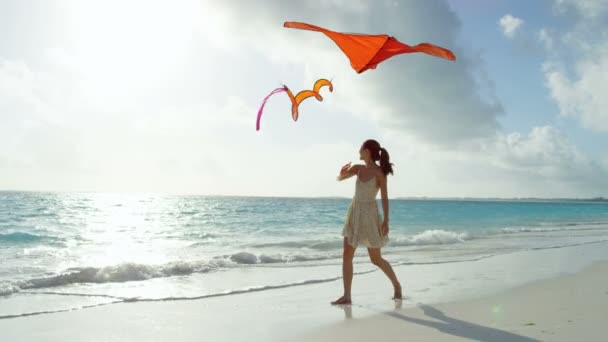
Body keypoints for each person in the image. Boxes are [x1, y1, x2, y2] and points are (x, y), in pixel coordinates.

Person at [331, 139, 401, 305]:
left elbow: (384, 197)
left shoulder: (380, 174)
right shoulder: (358, 168)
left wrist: (386, 221)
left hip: (370, 215)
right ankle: (347, 296)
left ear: (368, 151)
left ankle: (397, 285)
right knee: (346, 255)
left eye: (361, 149)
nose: (358, 152)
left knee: (375, 259)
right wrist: (341, 172)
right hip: (354, 213)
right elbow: (339, 179)